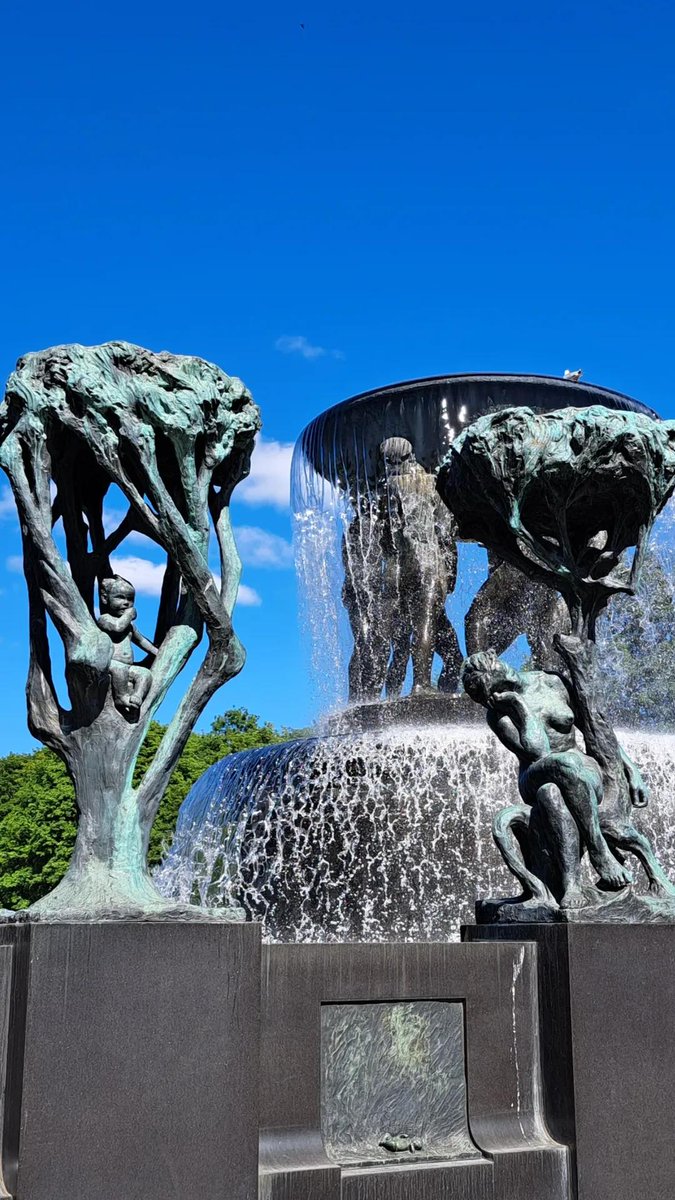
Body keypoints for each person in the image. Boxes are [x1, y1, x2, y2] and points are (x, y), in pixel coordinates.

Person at [461, 649, 632, 908]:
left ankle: (571, 884)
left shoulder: (553, 682)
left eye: (496, 670)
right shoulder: (499, 715)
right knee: (561, 765)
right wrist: (518, 705)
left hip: (582, 771)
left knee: (551, 793)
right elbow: (538, 752)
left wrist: (630, 769)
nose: (504, 678)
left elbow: (594, 726)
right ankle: (599, 852)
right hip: (535, 773)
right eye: (496, 686)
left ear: (496, 659)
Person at [98, 576, 158, 718]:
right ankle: (121, 697)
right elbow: (117, 628)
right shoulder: (105, 619)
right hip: (110, 664)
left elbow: (141, 641)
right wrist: (129, 615)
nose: (126, 603)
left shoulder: (130, 627)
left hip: (128, 667)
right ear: (105, 599)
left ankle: (137, 696)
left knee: (145, 674)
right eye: (120, 597)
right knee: (119, 670)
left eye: (130, 599)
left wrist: (157, 652)